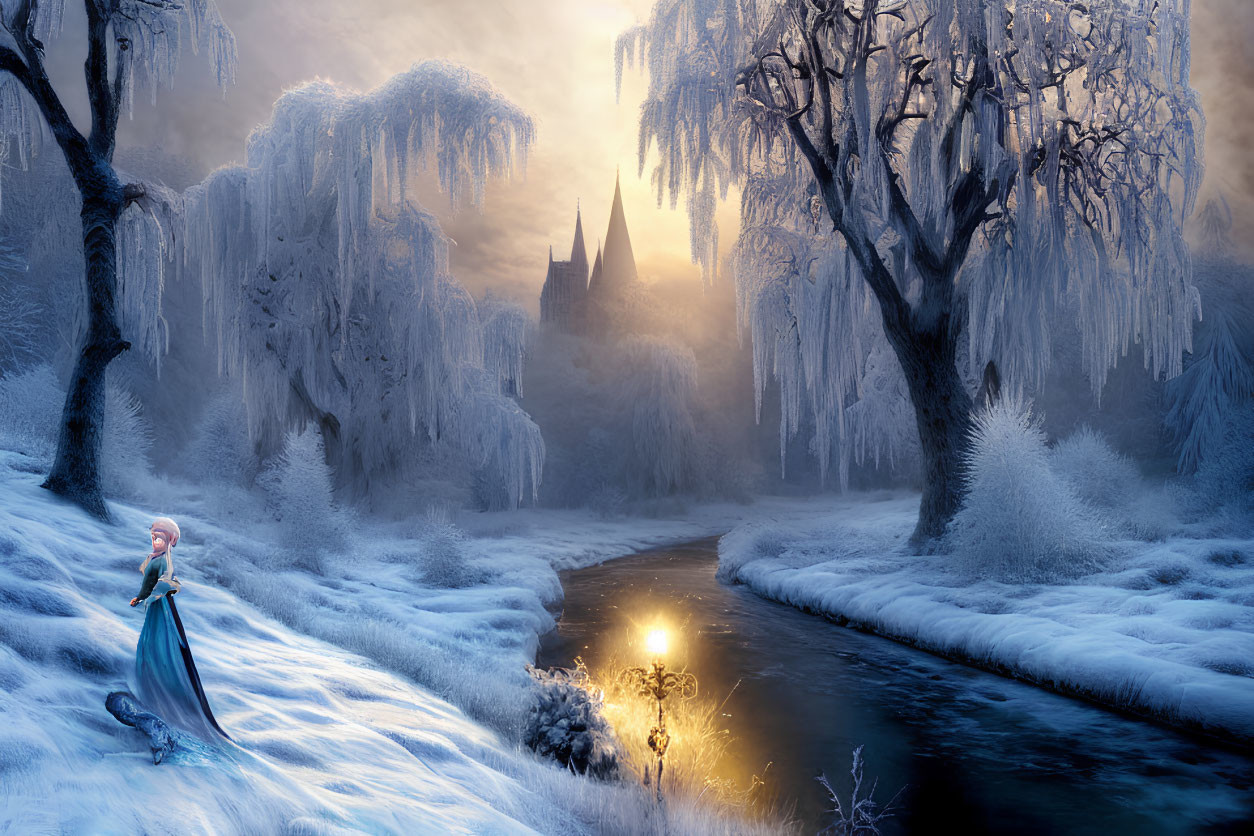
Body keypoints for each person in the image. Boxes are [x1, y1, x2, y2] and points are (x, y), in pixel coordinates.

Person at [130, 517, 229, 742]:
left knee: (162, 645)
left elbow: (163, 583)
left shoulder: (162, 560)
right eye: (153, 536)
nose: (155, 541)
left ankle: (164, 695)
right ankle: (154, 689)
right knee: (154, 643)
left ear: (170, 541)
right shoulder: (157, 558)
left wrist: (147, 596)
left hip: (162, 606)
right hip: (159, 605)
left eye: (160, 537)